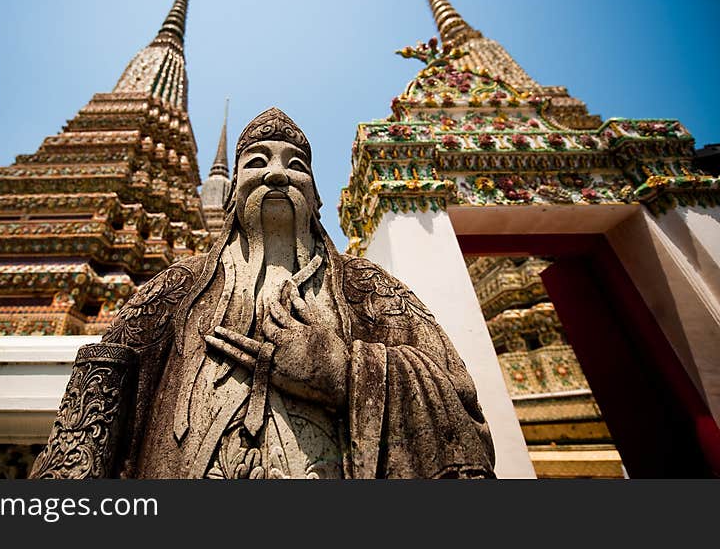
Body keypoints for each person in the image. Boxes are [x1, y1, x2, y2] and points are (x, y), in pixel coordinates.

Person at [30, 108, 495, 479]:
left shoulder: (371, 290)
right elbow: (89, 416)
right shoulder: (172, 289)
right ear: (231, 194)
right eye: (257, 162)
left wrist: (340, 368)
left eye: (296, 166)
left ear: (315, 200)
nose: (276, 175)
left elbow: (459, 397)